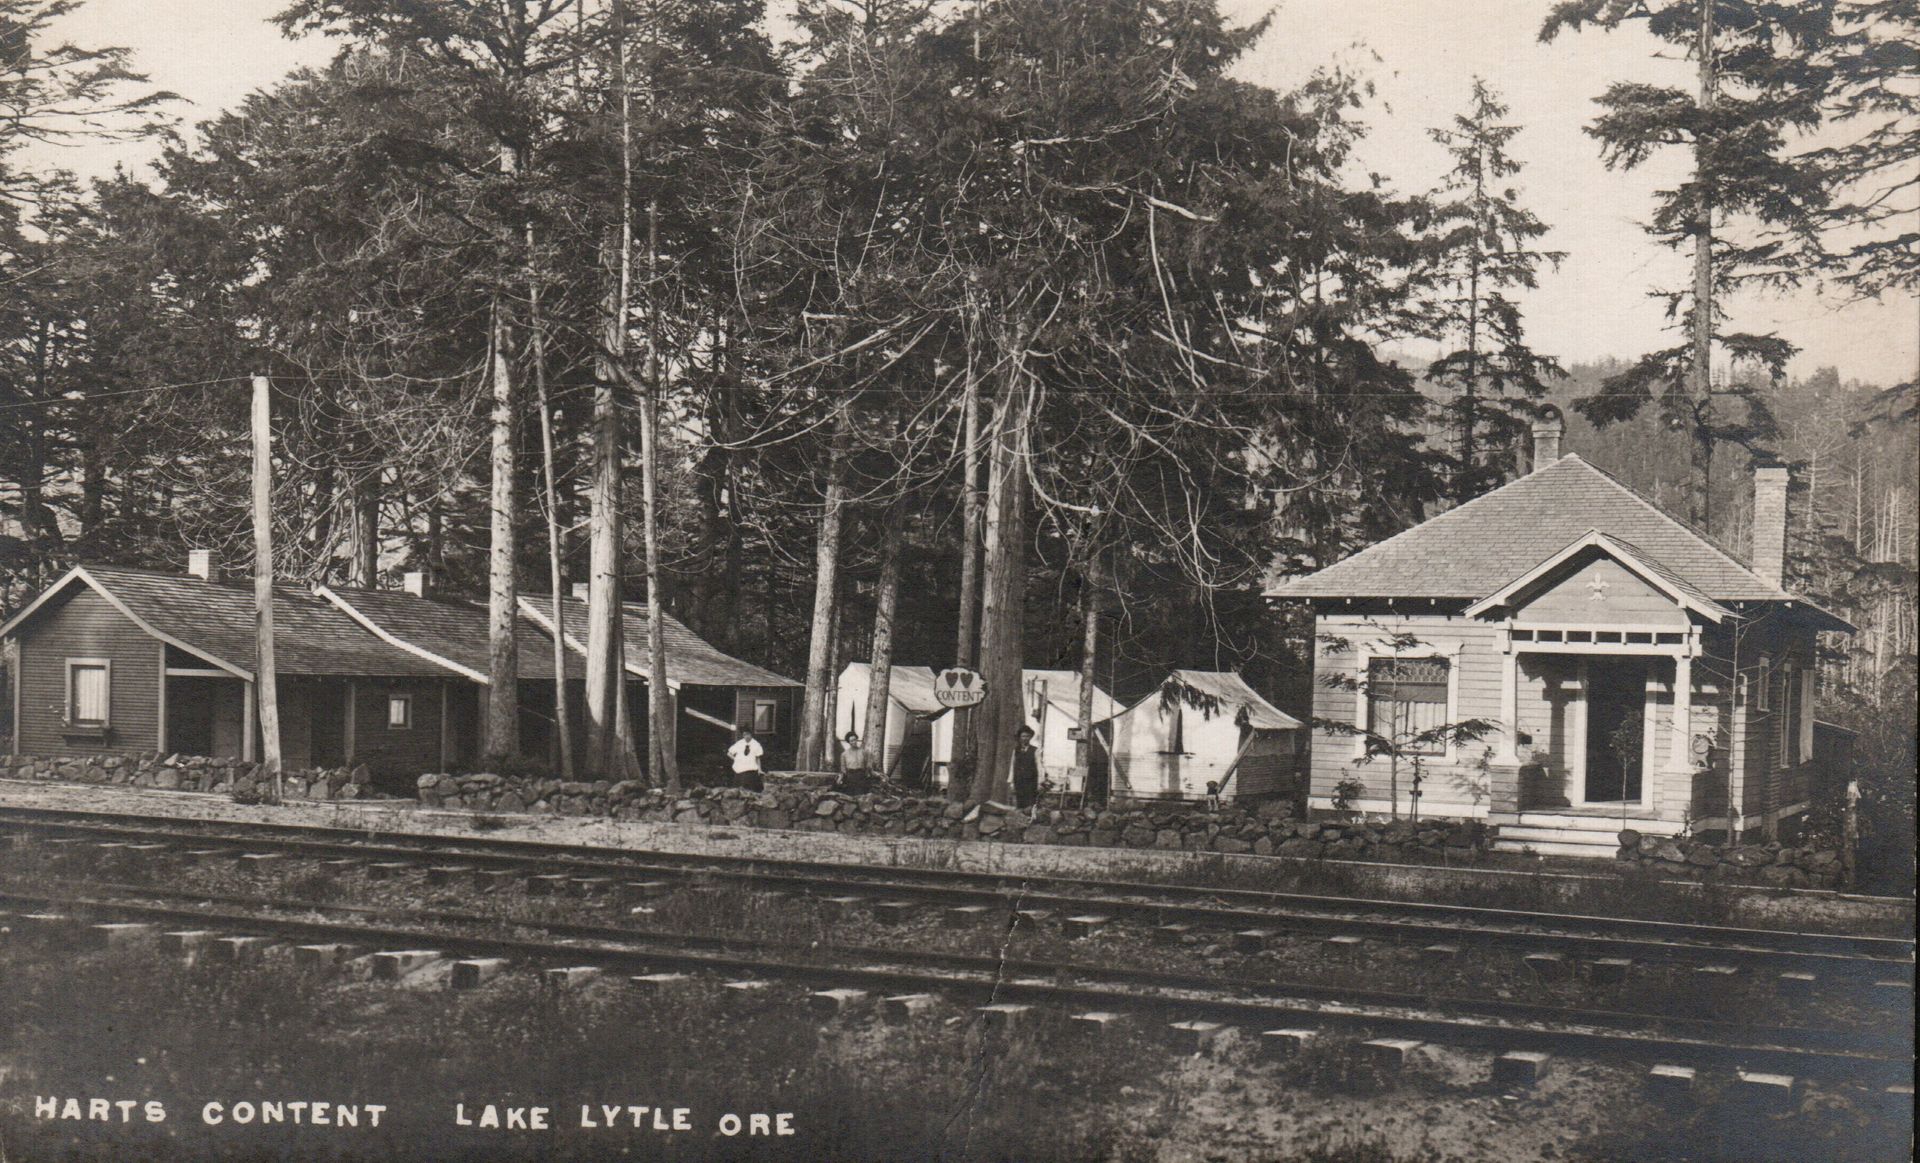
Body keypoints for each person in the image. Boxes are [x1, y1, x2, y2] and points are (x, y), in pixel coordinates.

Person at [1010, 725, 1040, 810]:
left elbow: (1039, 767)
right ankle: (1020, 821)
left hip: (1030, 781)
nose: (1025, 738)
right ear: (1020, 738)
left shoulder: (1035, 750)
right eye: (1023, 736)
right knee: (1019, 803)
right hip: (1019, 781)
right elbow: (1012, 766)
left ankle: (1030, 820)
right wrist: (1011, 782)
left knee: (1030, 803)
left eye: (1027, 736)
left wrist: (1039, 782)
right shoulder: (1016, 750)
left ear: (1030, 737)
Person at [727, 727, 765, 792]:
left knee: (750, 790)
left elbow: (758, 758)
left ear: (751, 734)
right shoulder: (739, 743)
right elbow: (729, 753)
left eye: (748, 734)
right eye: (744, 735)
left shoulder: (756, 744)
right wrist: (736, 759)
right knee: (738, 790)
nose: (746, 736)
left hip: (750, 770)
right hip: (740, 770)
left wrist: (760, 769)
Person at [839, 730, 871, 795]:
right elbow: (843, 769)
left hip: (861, 776)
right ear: (849, 742)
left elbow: (867, 765)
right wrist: (841, 778)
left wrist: (867, 774)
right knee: (850, 796)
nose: (854, 742)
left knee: (861, 796)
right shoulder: (844, 754)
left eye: (855, 740)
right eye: (851, 741)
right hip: (850, 777)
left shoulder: (863, 752)